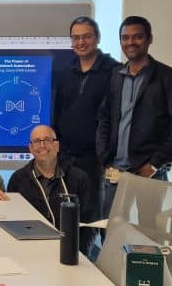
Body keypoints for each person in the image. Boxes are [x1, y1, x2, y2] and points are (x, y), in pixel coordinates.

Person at [97, 15, 172, 221]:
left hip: (148, 172)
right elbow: (105, 118)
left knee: (148, 231)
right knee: (110, 228)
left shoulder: (167, 77)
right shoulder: (115, 75)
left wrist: (155, 164)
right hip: (115, 170)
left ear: (149, 39)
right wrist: (104, 157)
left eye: (137, 37)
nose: (130, 42)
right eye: (125, 37)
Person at [53, 16, 118, 226]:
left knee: (93, 219)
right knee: (68, 216)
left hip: (96, 161)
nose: (81, 42)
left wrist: (105, 155)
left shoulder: (114, 72)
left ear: (97, 38)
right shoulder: (66, 73)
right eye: (76, 37)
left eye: (86, 36)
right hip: (66, 158)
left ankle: (89, 258)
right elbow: (58, 111)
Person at [7, 125, 93, 253]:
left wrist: (78, 254)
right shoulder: (18, 179)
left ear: (57, 146)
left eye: (47, 139)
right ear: (31, 148)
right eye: (36, 141)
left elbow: (88, 223)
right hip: (29, 250)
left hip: (69, 250)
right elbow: (11, 221)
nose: (42, 145)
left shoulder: (78, 178)